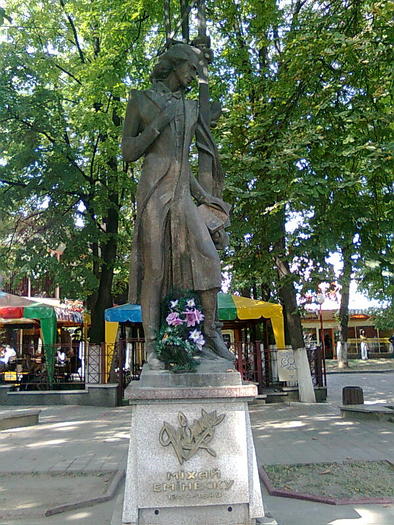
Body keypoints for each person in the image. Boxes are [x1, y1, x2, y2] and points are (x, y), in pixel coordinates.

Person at [122, 43, 233, 369]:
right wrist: (158, 123)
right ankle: (154, 347)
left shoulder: (188, 107)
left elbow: (184, 159)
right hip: (154, 193)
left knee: (208, 260)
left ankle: (210, 333)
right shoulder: (140, 99)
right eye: (191, 69)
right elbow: (128, 151)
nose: (193, 75)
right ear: (175, 66)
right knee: (154, 270)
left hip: (183, 194)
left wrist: (205, 197)